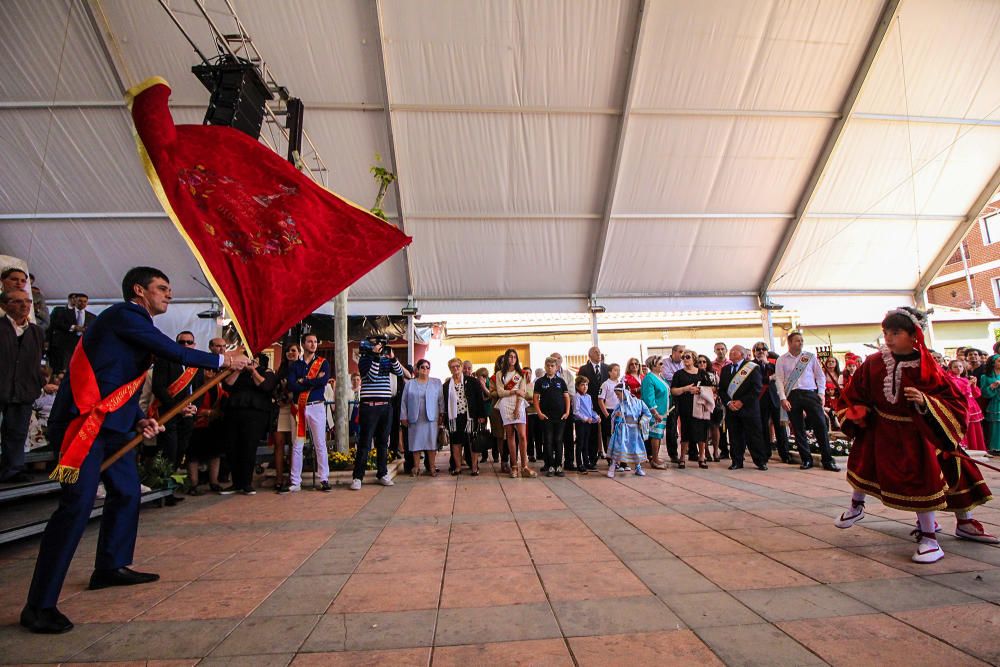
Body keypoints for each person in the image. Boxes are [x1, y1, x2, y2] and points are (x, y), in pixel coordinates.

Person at [21, 266, 250, 634]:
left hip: (113, 426)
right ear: (139, 290)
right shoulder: (125, 315)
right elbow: (170, 351)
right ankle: (39, 604)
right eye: (162, 288)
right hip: (85, 425)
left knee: (127, 492)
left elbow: (120, 380)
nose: (169, 295)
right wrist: (225, 360)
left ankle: (110, 565)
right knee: (76, 508)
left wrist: (139, 419)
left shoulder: (132, 324)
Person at [835, 307, 996, 563]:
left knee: (936, 477)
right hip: (881, 430)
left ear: (913, 335)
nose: (888, 338)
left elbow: (953, 401)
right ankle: (857, 507)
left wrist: (925, 402)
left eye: (895, 332)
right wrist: (856, 412)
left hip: (920, 434)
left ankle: (934, 536)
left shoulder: (928, 367)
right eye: (886, 332)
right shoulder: (874, 363)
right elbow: (856, 393)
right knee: (864, 468)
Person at [775, 332, 839, 472]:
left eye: (802, 340)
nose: (800, 343)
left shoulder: (809, 357)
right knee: (798, 428)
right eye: (797, 340)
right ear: (790, 342)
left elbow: (820, 376)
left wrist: (821, 394)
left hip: (810, 393)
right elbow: (779, 379)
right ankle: (806, 459)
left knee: (820, 426)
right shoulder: (782, 359)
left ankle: (827, 460)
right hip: (792, 394)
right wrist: (782, 398)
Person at [353, 336, 410, 490]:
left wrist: (392, 358)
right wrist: (376, 357)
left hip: (386, 406)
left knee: (383, 443)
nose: (380, 348)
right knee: (365, 443)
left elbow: (400, 372)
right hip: (369, 406)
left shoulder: (385, 360)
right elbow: (371, 376)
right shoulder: (364, 360)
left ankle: (382, 473)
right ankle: (358, 477)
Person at [0, 289, 45, 483]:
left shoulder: (35, 331)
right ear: (4, 305)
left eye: (27, 301)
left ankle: (13, 469)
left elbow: (36, 360)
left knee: (17, 432)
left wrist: (38, 383)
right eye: (17, 302)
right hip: (2, 385)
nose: (24, 305)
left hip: (23, 390)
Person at [149, 331, 202, 497]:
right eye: (182, 342)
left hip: (188, 416)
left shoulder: (196, 364)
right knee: (168, 451)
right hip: (169, 414)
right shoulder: (165, 361)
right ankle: (162, 491)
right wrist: (177, 407)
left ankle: (170, 488)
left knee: (181, 450)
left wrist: (195, 408)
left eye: (189, 342)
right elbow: (159, 388)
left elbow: (200, 390)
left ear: (194, 345)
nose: (186, 345)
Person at [223, 350, 277, 494]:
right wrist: (238, 370)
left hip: (255, 414)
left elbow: (266, 386)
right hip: (234, 411)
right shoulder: (236, 371)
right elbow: (227, 385)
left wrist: (253, 370)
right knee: (233, 447)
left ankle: (247, 482)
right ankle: (236, 482)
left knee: (248, 446)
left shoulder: (266, 371)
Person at [287, 334, 331, 492]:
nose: (313, 344)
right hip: (299, 407)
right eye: (310, 342)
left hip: (316, 406)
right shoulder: (294, 366)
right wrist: (311, 382)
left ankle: (324, 478)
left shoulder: (323, 363)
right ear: (303, 344)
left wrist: (303, 381)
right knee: (297, 445)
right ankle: (295, 481)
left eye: (315, 342)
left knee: (320, 444)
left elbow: (323, 382)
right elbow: (292, 386)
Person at [718, 345, 768, 470]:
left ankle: (760, 461)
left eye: (735, 351)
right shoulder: (725, 369)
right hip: (732, 409)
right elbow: (722, 390)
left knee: (754, 435)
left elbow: (756, 388)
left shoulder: (751, 367)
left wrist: (742, 401)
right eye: (731, 351)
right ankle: (737, 461)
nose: (732, 353)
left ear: (742, 354)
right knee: (735, 436)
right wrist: (729, 403)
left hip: (749, 408)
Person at [495, 348, 534, 478]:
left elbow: (522, 392)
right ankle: (514, 466)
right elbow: (500, 392)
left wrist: (518, 407)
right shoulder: (500, 374)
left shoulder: (521, 373)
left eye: (514, 357)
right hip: (505, 404)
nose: (512, 359)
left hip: (519, 404)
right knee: (510, 436)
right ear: (506, 358)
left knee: (522, 436)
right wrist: (514, 391)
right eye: (510, 356)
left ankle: (525, 466)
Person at [443, 357, 486, 476]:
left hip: (470, 417)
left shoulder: (472, 381)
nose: (455, 368)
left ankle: (474, 467)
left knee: (473, 442)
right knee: (456, 443)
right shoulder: (446, 385)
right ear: (450, 369)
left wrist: (482, 415)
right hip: (454, 417)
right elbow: (445, 403)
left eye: (458, 366)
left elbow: (479, 399)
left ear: (461, 367)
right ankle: (457, 467)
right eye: (453, 367)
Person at [400, 359, 442, 476]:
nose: (425, 369)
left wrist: (441, 414)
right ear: (417, 369)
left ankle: (432, 467)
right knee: (416, 443)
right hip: (415, 417)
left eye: (427, 367)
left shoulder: (436, 382)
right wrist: (403, 416)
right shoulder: (409, 384)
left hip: (431, 418)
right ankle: (416, 467)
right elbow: (403, 402)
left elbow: (441, 400)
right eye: (422, 367)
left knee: (431, 444)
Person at [671, 350, 711, 469]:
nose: (685, 359)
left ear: (694, 359)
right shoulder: (678, 374)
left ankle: (702, 457)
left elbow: (711, 388)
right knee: (685, 431)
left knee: (702, 431)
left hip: (700, 405)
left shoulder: (702, 373)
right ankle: (682, 457)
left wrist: (699, 390)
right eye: (683, 357)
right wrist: (686, 389)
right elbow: (673, 390)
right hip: (685, 406)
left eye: (688, 357)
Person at [753, 342, 792, 464]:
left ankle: (784, 454)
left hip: (775, 397)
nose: (760, 351)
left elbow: (781, 376)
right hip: (761, 398)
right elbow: (756, 380)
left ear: (767, 351)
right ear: (754, 352)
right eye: (758, 349)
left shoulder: (774, 363)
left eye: (763, 349)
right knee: (763, 426)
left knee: (780, 426)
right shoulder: (751, 365)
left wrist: (767, 363)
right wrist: (769, 378)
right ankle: (765, 453)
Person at [533, 356, 570, 477]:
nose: (550, 368)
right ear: (545, 367)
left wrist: (567, 412)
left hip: (560, 417)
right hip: (546, 417)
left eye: (552, 366)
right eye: (548, 366)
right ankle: (549, 466)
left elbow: (567, 397)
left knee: (558, 441)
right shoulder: (540, 382)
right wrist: (539, 412)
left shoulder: (561, 381)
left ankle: (558, 466)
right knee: (548, 441)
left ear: (556, 367)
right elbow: (535, 398)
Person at [607, 382, 652, 478]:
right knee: (618, 447)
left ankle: (638, 467)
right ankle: (612, 467)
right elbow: (613, 416)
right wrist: (617, 416)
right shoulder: (620, 405)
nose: (617, 397)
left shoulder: (639, 403)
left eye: (618, 394)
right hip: (622, 429)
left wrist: (642, 421)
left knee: (635, 448)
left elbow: (648, 414)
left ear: (625, 393)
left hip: (634, 430)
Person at [576, 346, 610, 472]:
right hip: (589, 405)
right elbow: (580, 386)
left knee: (607, 430)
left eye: (599, 352)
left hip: (605, 404)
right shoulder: (584, 369)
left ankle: (610, 456)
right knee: (592, 433)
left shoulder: (606, 368)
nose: (598, 354)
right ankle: (592, 458)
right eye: (596, 352)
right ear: (589, 355)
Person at [272, 344, 300, 492]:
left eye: (293, 350)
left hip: (294, 407)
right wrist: (279, 398)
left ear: (299, 353)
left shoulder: (302, 369)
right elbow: (273, 388)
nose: (290, 353)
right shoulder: (280, 370)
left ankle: (292, 476)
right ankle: (278, 478)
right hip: (281, 408)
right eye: (288, 351)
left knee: (293, 444)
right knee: (279, 444)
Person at [48, 293, 96, 373]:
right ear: (75, 301)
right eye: (80, 301)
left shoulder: (92, 316)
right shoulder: (64, 312)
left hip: (82, 345)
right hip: (66, 345)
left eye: (85, 301)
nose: (82, 303)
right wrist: (73, 327)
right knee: (65, 367)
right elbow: (57, 324)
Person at [948, 360, 986, 452]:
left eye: (960, 366)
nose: (958, 368)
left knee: (974, 427)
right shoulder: (950, 380)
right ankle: (966, 448)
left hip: (972, 405)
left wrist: (974, 384)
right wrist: (968, 384)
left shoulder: (964, 379)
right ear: (951, 368)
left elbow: (976, 394)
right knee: (965, 427)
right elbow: (958, 394)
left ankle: (977, 449)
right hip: (961, 406)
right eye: (955, 367)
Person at [641, 355, 670, 469]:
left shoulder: (660, 377)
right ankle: (655, 459)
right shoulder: (649, 378)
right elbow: (649, 398)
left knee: (658, 435)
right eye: (660, 364)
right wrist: (655, 412)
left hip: (663, 411)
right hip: (656, 412)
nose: (663, 366)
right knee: (655, 435)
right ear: (653, 366)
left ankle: (655, 457)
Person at [659, 345, 686, 462]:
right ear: (674, 352)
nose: (682, 354)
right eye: (680, 352)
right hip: (671, 398)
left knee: (687, 424)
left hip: (685, 397)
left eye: (683, 352)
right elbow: (668, 376)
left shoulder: (685, 362)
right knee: (672, 426)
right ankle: (673, 454)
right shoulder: (665, 362)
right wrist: (683, 377)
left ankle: (691, 451)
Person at [697, 354, 723, 462]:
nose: (702, 364)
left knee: (715, 427)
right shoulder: (695, 374)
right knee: (703, 428)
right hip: (700, 403)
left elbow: (718, 387)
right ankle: (705, 451)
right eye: (699, 362)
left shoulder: (714, 374)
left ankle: (716, 451)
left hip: (714, 403)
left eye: (704, 361)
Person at [573, 376, 600, 474]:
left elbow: (591, 410)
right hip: (580, 423)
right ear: (577, 386)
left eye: (586, 384)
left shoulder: (588, 396)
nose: (585, 387)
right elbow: (576, 411)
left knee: (586, 443)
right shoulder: (577, 397)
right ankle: (579, 463)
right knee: (580, 443)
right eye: (582, 385)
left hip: (588, 423)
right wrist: (585, 418)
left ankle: (586, 462)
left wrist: (596, 416)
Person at [598, 363, 622, 466]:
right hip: (609, 411)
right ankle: (610, 458)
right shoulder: (605, 384)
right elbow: (600, 400)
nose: (618, 372)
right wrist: (607, 414)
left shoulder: (621, 383)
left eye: (619, 370)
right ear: (609, 372)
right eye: (615, 370)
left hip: (619, 412)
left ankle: (620, 459)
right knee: (608, 435)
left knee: (619, 435)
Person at [980, 354, 1000, 455]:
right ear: (993, 363)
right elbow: (983, 393)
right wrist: (992, 386)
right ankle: (995, 448)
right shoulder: (985, 377)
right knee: (995, 426)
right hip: (995, 403)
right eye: (999, 361)